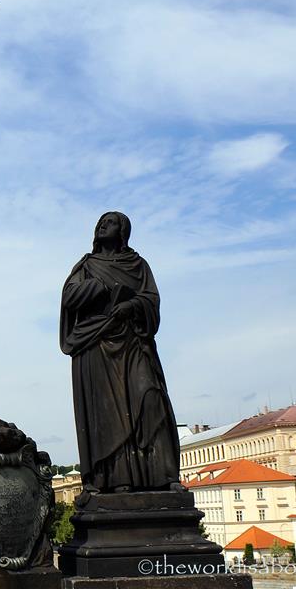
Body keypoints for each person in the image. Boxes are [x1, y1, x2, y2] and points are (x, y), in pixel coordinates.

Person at [60, 212, 180, 501]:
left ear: (123, 230)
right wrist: (102, 288)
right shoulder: (87, 266)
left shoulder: (138, 265)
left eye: (110, 222)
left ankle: (162, 476)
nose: (103, 225)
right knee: (107, 416)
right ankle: (115, 480)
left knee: (150, 397)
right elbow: (69, 297)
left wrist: (131, 305)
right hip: (96, 345)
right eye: (101, 222)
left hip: (132, 341)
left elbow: (151, 300)